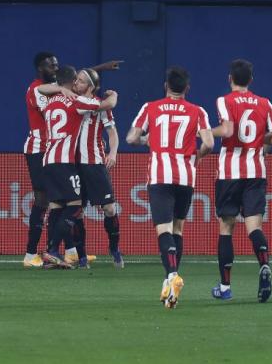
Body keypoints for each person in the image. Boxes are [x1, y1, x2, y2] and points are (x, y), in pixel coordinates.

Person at [22, 54, 122, 267]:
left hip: (52, 157)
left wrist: (62, 88)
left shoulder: (51, 98)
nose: (77, 82)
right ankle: (42, 252)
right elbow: (103, 104)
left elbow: (57, 85)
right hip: (61, 158)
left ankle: (62, 253)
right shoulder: (77, 102)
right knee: (72, 205)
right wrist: (113, 99)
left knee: (56, 205)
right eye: (75, 80)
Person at [126, 66, 214, 309]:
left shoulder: (150, 107)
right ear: (187, 88)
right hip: (186, 176)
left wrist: (148, 140)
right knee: (178, 229)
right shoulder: (197, 111)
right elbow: (209, 142)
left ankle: (172, 275)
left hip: (160, 175)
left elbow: (132, 138)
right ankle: (169, 281)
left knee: (163, 230)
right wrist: (196, 156)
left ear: (166, 86)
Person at [211, 59, 272, 303]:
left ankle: (225, 287)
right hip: (256, 173)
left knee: (226, 228)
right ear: (251, 80)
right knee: (254, 228)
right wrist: (258, 140)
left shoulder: (224, 100)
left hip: (230, 173)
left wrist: (206, 132)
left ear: (229, 78)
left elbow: (229, 130)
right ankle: (264, 265)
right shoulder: (264, 103)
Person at [73, 68, 124, 269]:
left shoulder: (101, 106)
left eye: (81, 81)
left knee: (109, 208)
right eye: (76, 79)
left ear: (91, 87)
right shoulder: (71, 101)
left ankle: (114, 248)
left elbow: (112, 132)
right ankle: (82, 256)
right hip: (73, 164)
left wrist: (113, 152)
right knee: (76, 210)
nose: (76, 83)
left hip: (94, 163)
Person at [22, 52, 59, 267]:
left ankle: (71, 251)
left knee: (62, 200)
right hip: (38, 149)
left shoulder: (53, 88)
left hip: (54, 150)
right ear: (40, 69)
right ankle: (30, 254)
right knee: (43, 201)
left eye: (56, 65)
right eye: (50, 66)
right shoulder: (36, 90)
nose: (54, 68)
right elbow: (52, 113)